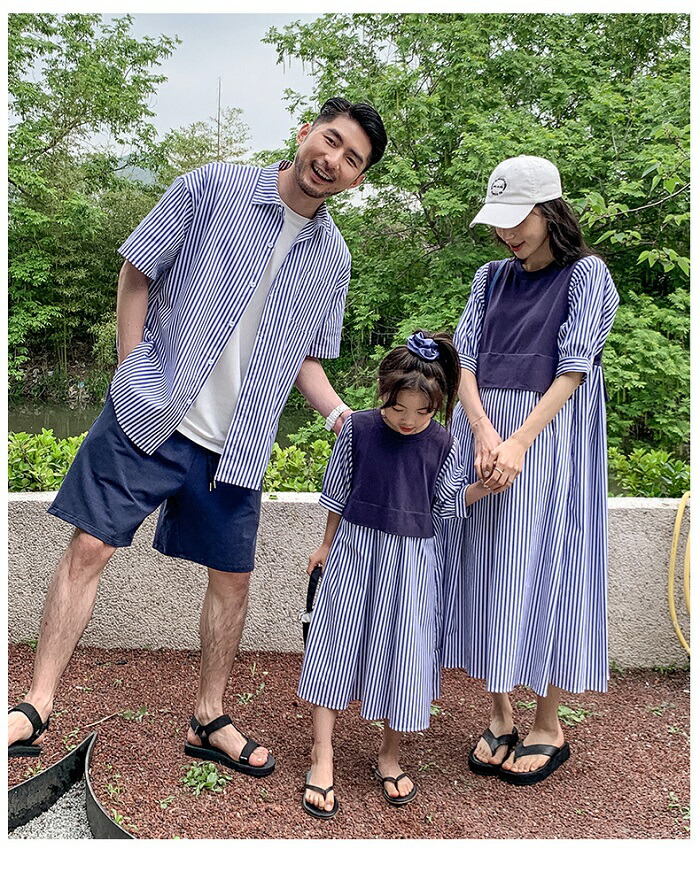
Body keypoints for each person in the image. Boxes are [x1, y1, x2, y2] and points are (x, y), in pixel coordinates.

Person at [8, 98, 387, 777]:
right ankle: (36, 704)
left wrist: (343, 418)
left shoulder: (333, 257)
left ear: (358, 180)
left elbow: (307, 357)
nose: (333, 160)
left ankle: (208, 716)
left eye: (352, 159)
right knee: (90, 547)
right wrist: (130, 368)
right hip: (152, 409)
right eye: (331, 140)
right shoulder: (213, 186)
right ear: (306, 131)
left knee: (233, 581)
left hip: (236, 440)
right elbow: (137, 270)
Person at [438, 155, 619, 785]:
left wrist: (517, 442)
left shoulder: (586, 274)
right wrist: (483, 431)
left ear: (549, 211)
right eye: (499, 220)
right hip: (483, 433)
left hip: (546, 438)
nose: (507, 233)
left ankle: (548, 723)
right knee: (481, 569)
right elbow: (462, 358)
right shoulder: (490, 278)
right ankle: (499, 714)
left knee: (545, 571)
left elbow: (574, 371)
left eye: (519, 219)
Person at [297, 332, 492, 818]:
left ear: (436, 407)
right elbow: (337, 493)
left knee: (406, 654)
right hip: (355, 551)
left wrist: (483, 489)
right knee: (332, 645)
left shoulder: (443, 441)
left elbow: (445, 504)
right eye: (400, 408)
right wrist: (325, 544)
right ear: (384, 392)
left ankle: (390, 754)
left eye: (422, 412)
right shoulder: (357, 429)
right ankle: (322, 754)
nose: (409, 420)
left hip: (412, 562)